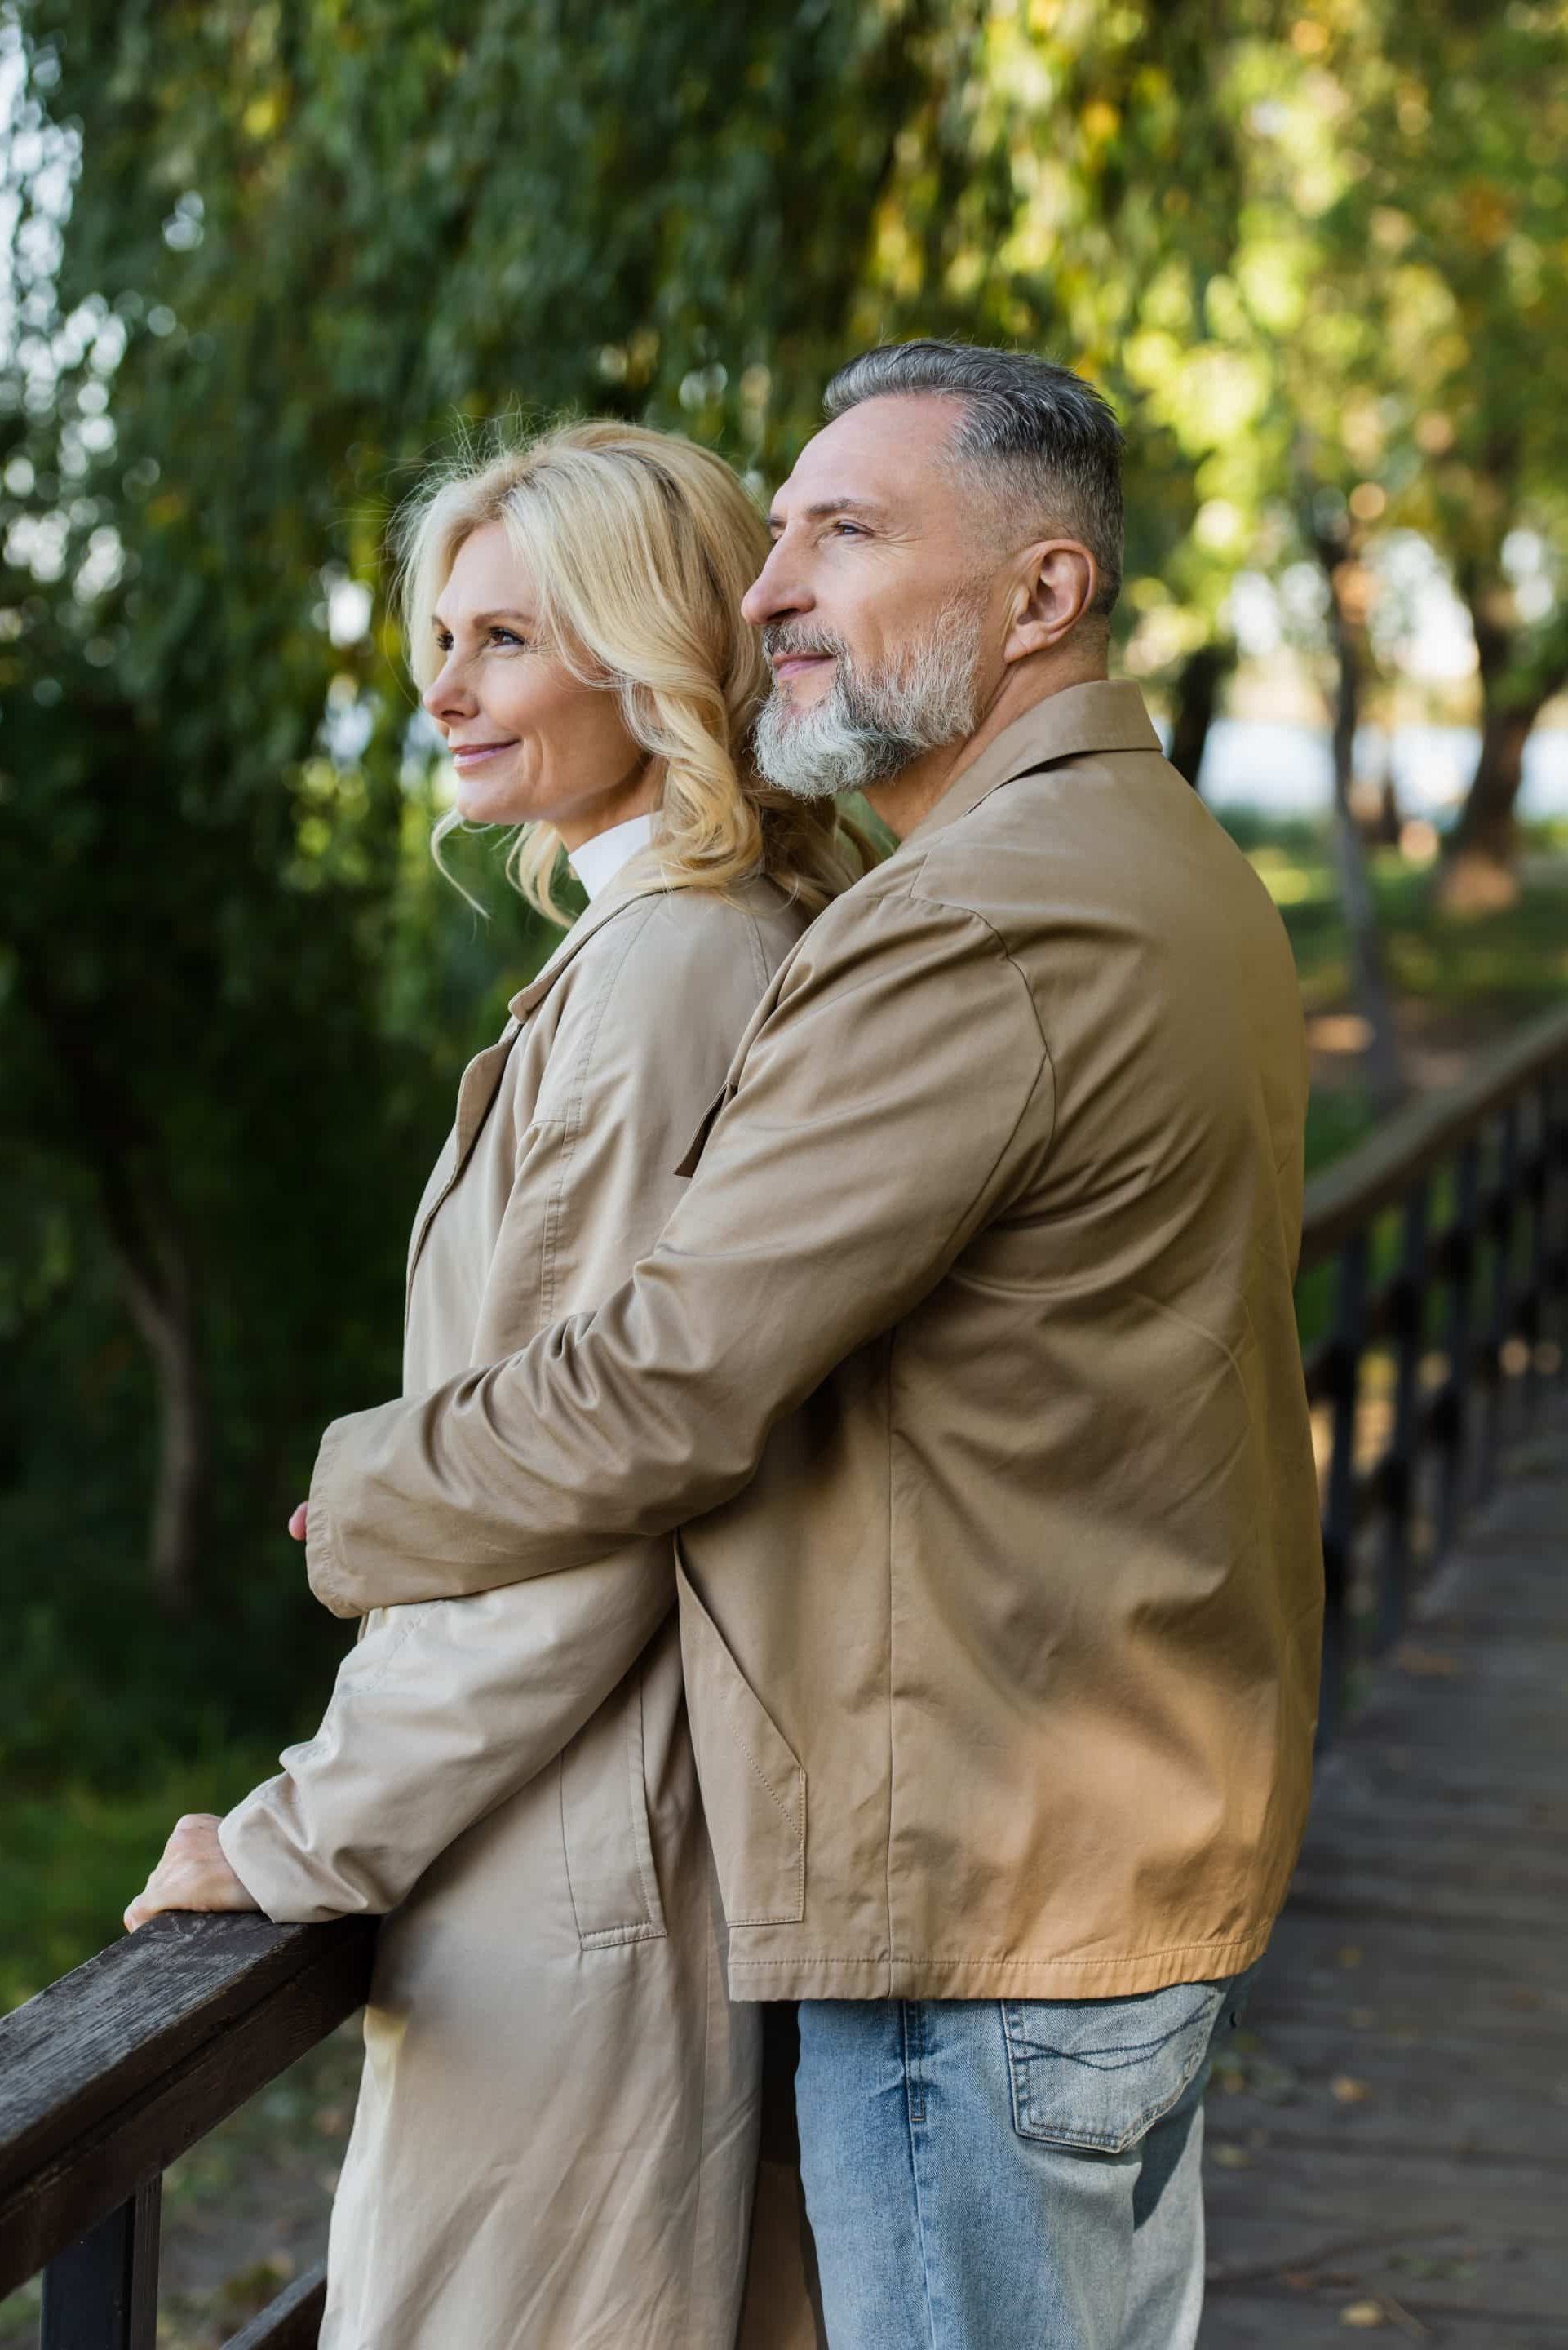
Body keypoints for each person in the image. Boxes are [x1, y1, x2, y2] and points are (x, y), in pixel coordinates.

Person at [125, 419, 869, 2348]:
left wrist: (298, 1834)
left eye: (506, 643)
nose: (441, 690)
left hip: (571, 1885)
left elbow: (582, 1505)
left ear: (646, 660)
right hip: (594, 1848)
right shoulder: (687, 944)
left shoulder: (664, 977)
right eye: (440, 639)